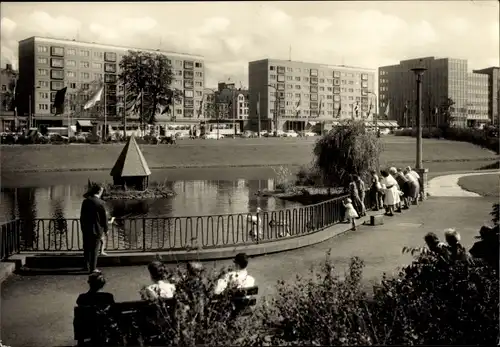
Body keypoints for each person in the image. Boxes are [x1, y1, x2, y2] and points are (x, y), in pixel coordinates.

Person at [80, 183, 109, 273]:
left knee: (87, 248)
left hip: (86, 228)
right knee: (95, 250)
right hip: (97, 229)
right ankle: (93, 268)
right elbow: (104, 218)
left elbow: (82, 217)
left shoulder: (86, 201)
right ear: (99, 191)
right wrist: (106, 229)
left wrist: (83, 227)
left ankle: (86, 265)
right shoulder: (101, 203)